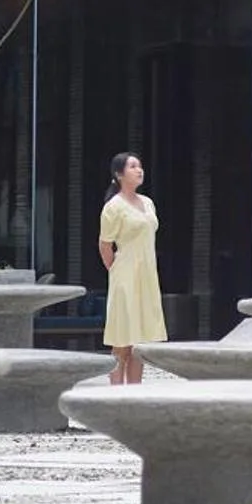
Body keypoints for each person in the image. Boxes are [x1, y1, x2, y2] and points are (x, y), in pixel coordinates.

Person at [99, 152, 167, 385]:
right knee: (122, 341)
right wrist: (117, 270)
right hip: (125, 275)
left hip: (147, 275)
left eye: (140, 166)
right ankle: (117, 395)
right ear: (119, 174)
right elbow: (105, 245)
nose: (139, 170)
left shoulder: (148, 203)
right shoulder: (114, 207)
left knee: (139, 343)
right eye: (132, 166)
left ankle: (135, 394)